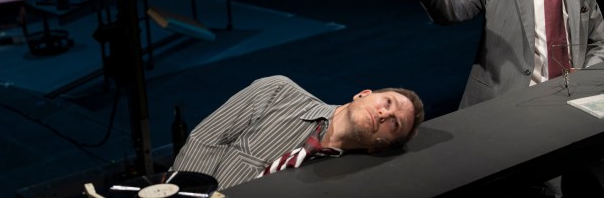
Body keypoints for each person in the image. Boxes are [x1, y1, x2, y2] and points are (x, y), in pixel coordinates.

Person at [388, 0, 604, 197]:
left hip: (570, 104)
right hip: (511, 106)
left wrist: (583, 81)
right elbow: (452, 10)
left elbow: (599, 43)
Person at [170, 75, 425, 191]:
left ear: (379, 147)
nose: (383, 114)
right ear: (362, 94)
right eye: (387, 102)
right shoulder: (277, 92)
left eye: (394, 124)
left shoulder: (345, 182)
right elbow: (206, 141)